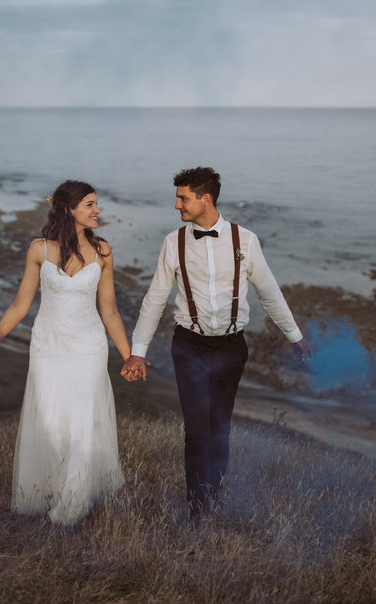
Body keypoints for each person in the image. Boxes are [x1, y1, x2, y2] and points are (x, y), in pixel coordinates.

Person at [120, 167, 310, 521]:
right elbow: (155, 299)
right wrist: (138, 353)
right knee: (197, 429)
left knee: (220, 427)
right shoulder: (173, 243)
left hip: (231, 348)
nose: (177, 205)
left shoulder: (246, 241)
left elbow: (269, 293)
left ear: (205, 198)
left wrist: (295, 338)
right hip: (188, 347)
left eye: (183, 198)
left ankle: (213, 496)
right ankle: (197, 509)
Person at [0, 180, 130, 525]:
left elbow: (109, 311)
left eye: (96, 204)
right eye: (90, 204)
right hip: (48, 347)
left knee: (81, 421)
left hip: (89, 348)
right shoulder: (40, 250)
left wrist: (130, 357)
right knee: (50, 421)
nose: (98, 210)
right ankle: (50, 489)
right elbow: (20, 306)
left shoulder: (103, 251)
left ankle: (73, 504)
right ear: (68, 209)